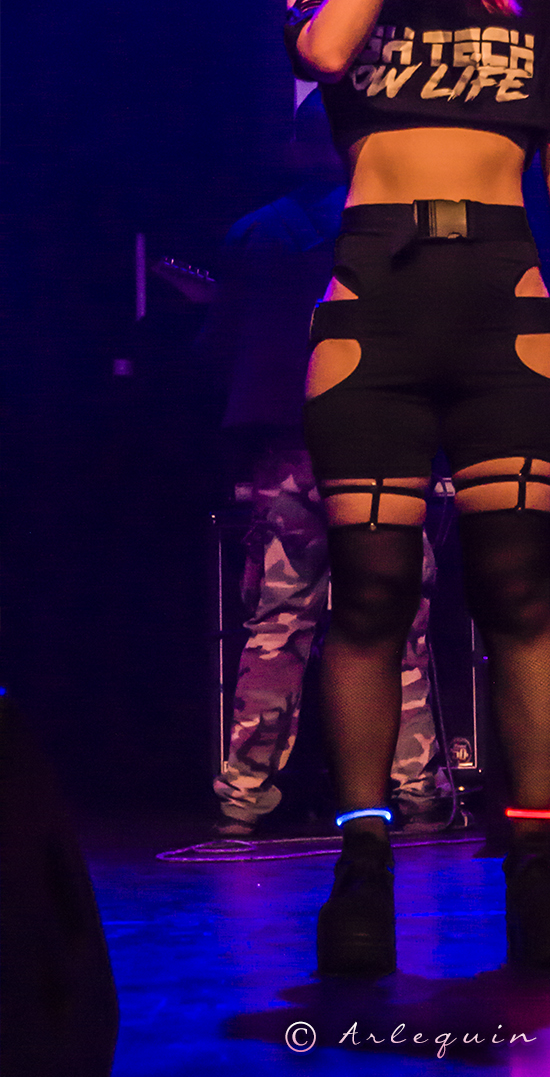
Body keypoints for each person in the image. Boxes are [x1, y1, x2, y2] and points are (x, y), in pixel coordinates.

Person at [284, 0, 550, 976]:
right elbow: (325, 53)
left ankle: (536, 860)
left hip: (502, 304)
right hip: (373, 307)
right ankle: (362, 865)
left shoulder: (538, 1)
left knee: (517, 589)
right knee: (370, 594)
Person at [202, 94, 450, 838]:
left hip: (290, 453)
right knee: (395, 618)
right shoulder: (403, 227)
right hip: (382, 451)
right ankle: (417, 789)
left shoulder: (255, 234)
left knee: (277, 624)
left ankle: (244, 791)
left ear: (296, 148)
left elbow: (220, 349)